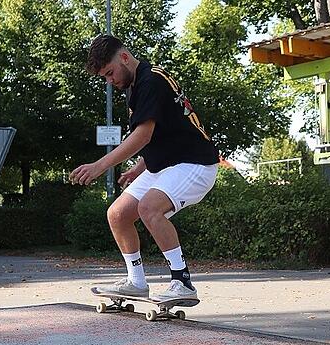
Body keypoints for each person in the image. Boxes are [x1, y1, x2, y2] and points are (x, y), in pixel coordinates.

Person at [70, 35, 219, 301]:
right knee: (118, 214)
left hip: (195, 163)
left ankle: (182, 282)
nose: (110, 81)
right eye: (104, 77)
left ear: (124, 57)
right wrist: (140, 167)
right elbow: (168, 133)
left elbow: (143, 136)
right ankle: (136, 282)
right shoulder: (136, 84)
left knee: (148, 207)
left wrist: (100, 166)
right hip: (167, 165)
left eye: (110, 73)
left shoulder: (151, 81)